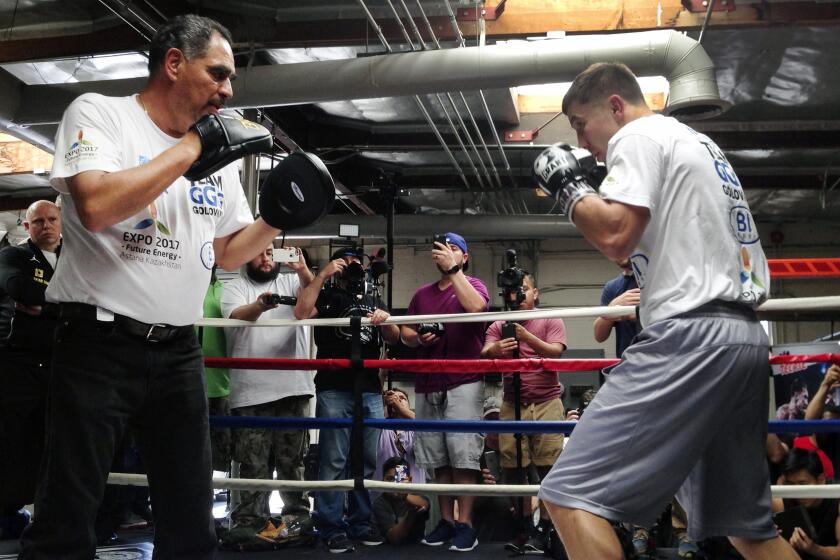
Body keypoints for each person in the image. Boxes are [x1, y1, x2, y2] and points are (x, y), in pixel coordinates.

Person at [19, 15, 285, 558]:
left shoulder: (221, 159)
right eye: (217, 73)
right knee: (67, 518)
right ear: (173, 64)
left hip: (178, 353)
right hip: (97, 346)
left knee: (191, 523)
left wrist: (281, 213)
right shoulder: (99, 114)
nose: (228, 90)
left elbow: (228, 252)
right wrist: (193, 147)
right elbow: (93, 207)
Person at [533, 62, 797, 559]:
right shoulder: (699, 144)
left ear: (615, 106)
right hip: (743, 338)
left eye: (580, 124)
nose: (584, 141)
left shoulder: (636, 136)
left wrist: (569, 189)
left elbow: (615, 235)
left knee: (567, 495)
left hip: (690, 337)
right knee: (748, 529)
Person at [294, 246, 400, 553]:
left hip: (369, 389)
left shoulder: (373, 299)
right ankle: (329, 524)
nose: (352, 268)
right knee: (334, 460)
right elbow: (300, 313)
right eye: (346, 263)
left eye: (357, 263)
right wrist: (323, 274)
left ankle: (360, 522)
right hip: (333, 387)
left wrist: (385, 319)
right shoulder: (326, 296)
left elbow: (394, 338)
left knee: (366, 459)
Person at [400, 232, 490, 552]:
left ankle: (466, 524)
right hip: (428, 381)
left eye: (455, 249)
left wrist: (455, 273)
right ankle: (447, 520)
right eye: (442, 249)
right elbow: (405, 333)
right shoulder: (422, 295)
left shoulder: (474, 284)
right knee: (438, 459)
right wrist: (418, 338)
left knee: (463, 457)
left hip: (463, 380)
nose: (447, 253)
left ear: (464, 257)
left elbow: (476, 308)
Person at [221, 244, 315, 531]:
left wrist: (303, 271)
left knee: (293, 462)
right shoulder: (234, 287)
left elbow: (309, 306)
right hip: (250, 391)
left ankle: (296, 521)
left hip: (293, 386)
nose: (265, 258)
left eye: (271, 252)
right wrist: (261, 305)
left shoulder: (293, 281)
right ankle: (249, 523)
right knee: (252, 463)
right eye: (259, 252)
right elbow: (237, 316)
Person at [481, 272, 567, 554]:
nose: (518, 295)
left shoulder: (550, 318)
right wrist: (495, 349)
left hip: (546, 402)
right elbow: (484, 354)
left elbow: (556, 353)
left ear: (535, 293)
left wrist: (527, 336)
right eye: (514, 291)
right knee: (512, 467)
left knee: (548, 468)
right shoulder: (499, 324)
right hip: (511, 401)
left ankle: (545, 527)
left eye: (524, 289)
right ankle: (523, 525)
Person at [0, 200, 61, 539]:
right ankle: (8, 510)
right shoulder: (14, 256)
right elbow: (20, 289)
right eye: (38, 221)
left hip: (59, 362)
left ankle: (46, 512)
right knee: (13, 438)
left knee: (53, 438)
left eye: (52, 219)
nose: (46, 226)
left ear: (62, 221)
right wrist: (68, 304)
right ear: (27, 227)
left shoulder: (75, 255)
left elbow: (94, 297)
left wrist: (47, 306)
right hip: (17, 364)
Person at [772, 448, 840, 559]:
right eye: (791, 484)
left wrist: (812, 548)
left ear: (821, 480)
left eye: (803, 483)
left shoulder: (836, 497)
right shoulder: (782, 500)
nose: (797, 492)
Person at [201, 265, 232, 476]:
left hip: (221, 382)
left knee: (220, 452)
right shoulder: (184, 285)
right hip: (187, 378)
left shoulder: (226, 290)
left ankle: (210, 501)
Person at [373, 456, 430, 545]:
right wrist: (410, 515)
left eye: (399, 480)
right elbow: (394, 539)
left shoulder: (416, 496)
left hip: (417, 552)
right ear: (382, 480)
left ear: (409, 481)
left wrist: (404, 495)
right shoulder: (379, 503)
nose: (394, 484)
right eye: (390, 479)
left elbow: (425, 504)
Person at [374, 388, 425, 486]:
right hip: (380, 498)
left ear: (409, 408)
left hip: (415, 498)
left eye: (402, 398)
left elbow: (427, 426)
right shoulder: (379, 429)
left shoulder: (416, 431)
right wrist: (381, 402)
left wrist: (399, 407)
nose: (396, 400)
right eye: (392, 398)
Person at [593, 259, 640, 359]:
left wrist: (639, 313)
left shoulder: (656, 282)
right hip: (626, 362)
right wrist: (612, 308)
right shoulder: (612, 286)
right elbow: (599, 336)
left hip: (658, 357)